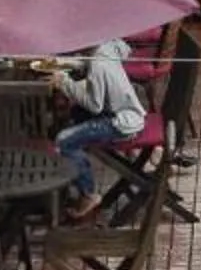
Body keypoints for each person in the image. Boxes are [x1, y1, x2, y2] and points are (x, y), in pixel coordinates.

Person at [46, 40, 146, 223]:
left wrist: (65, 82)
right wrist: (74, 63)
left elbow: (94, 105)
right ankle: (64, 179)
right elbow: (123, 50)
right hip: (129, 112)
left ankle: (88, 193)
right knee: (74, 113)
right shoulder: (108, 47)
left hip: (119, 122)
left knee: (63, 140)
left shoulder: (98, 66)